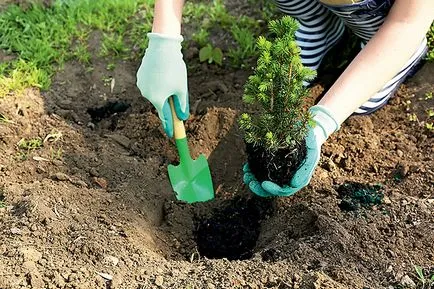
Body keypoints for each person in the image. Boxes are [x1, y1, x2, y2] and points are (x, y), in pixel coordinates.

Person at [136, 0, 434, 197]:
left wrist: (322, 123)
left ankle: (371, 31)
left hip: (393, 17)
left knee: (362, 96)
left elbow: (408, 21)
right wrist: (165, 37)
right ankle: (315, 20)